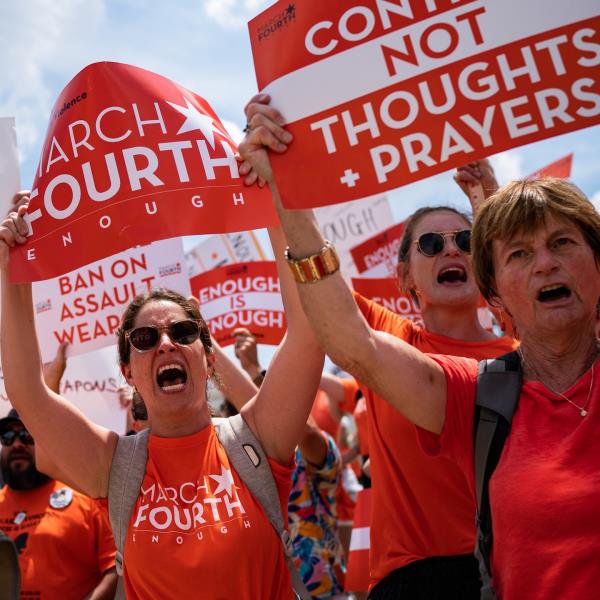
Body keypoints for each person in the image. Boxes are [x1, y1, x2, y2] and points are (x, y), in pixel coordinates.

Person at [238, 95, 516, 598]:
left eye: (464, 242)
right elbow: (316, 284)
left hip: (517, 573)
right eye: (431, 245)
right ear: (405, 278)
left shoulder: (525, 349)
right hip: (415, 582)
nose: (451, 250)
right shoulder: (388, 337)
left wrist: (489, 201)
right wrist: (279, 182)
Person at [0, 195, 325, 599]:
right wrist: (14, 268)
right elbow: (27, 391)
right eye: (145, 338)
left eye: (183, 332)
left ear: (209, 359)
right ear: (128, 372)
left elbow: (309, 330)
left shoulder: (257, 439)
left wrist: (278, 207)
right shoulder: (115, 466)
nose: (166, 344)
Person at [0, 409, 117, 598]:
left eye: (27, 435)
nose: (17, 444)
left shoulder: (87, 498)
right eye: (7, 437)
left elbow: (114, 568)